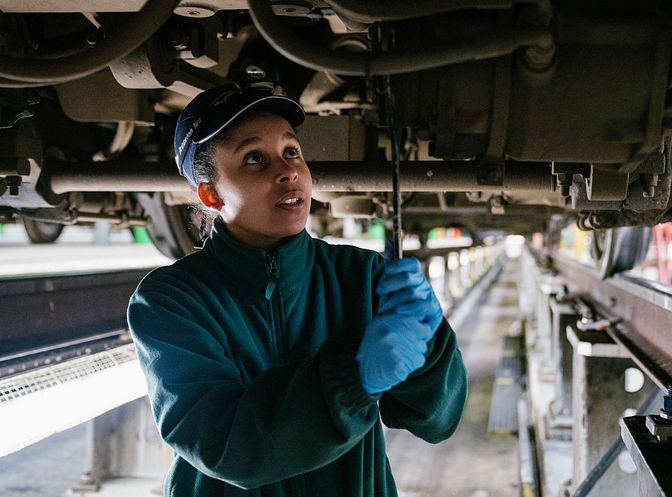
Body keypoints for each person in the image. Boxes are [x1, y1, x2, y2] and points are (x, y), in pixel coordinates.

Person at [126, 80, 468, 497]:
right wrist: (353, 380)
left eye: (292, 152)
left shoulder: (359, 275)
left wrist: (431, 347)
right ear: (210, 194)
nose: (287, 170)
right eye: (254, 159)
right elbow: (225, 445)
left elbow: (437, 420)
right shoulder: (170, 300)